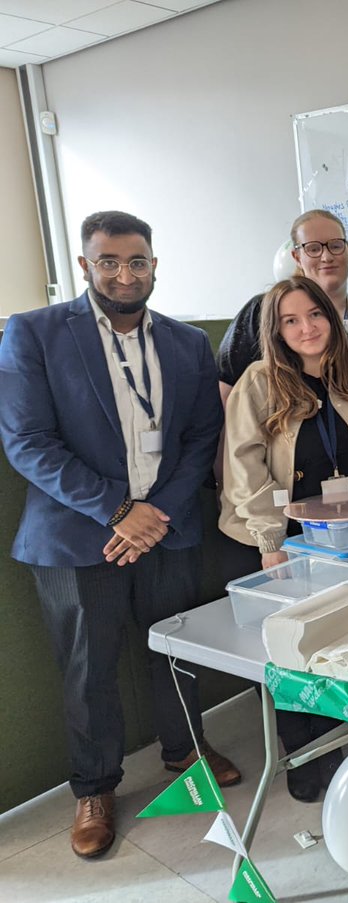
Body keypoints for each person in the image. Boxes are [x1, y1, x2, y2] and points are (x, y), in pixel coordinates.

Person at [0, 211, 240, 859]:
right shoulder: (35, 333)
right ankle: (95, 786)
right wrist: (117, 510)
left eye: (137, 261)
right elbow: (27, 442)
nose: (124, 273)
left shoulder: (188, 342)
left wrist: (153, 512)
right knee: (89, 669)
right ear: (84, 266)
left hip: (167, 527)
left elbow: (199, 438)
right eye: (108, 261)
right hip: (80, 538)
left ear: (155, 265)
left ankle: (185, 746)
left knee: (177, 646)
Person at [220, 275, 348, 801]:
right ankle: (301, 756)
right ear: (275, 331)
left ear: (334, 317)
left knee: (346, 638)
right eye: (290, 321)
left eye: (315, 315)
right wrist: (269, 539)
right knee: (291, 647)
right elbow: (243, 466)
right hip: (287, 539)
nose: (306, 328)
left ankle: (345, 744)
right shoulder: (259, 382)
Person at [217, 209, 348, 402]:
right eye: (313, 249)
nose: (326, 257)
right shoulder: (261, 312)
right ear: (297, 257)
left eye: (336, 246)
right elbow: (226, 391)